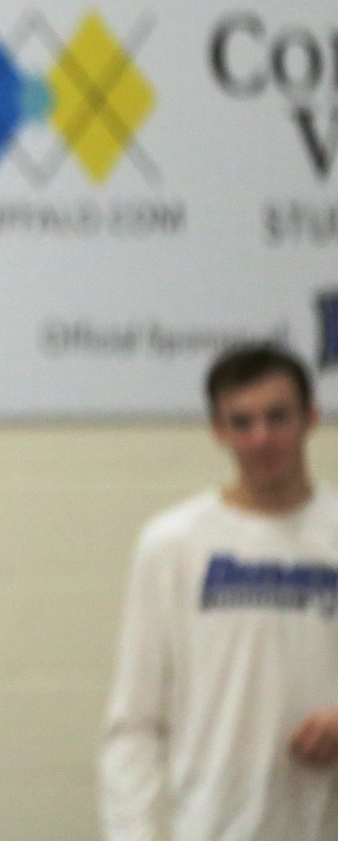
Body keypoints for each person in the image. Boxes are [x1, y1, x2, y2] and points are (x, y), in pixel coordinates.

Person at [102, 342, 336, 841]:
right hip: (209, 825)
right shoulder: (173, 543)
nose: (261, 438)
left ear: (311, 418)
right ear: (217, 430)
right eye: (242, 422)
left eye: (278, 417)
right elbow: (135, 722)